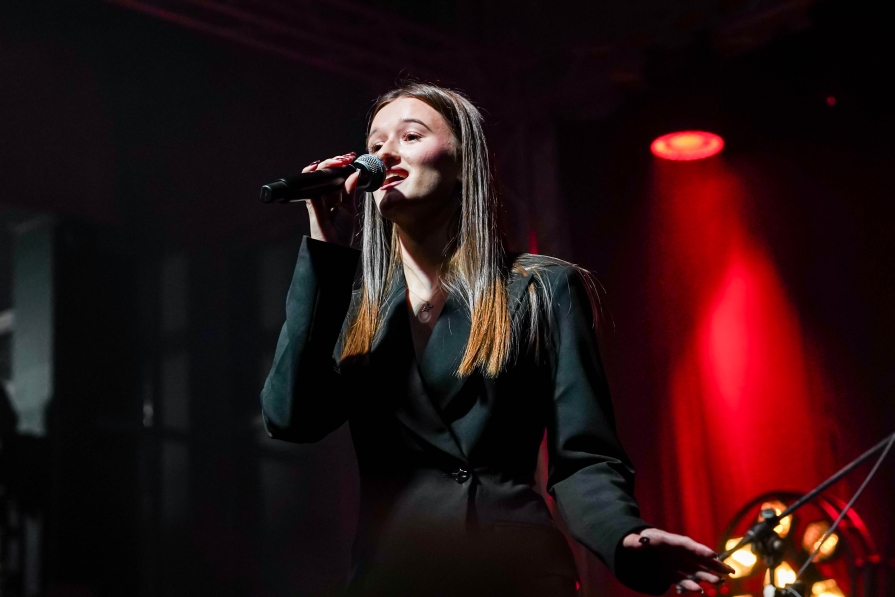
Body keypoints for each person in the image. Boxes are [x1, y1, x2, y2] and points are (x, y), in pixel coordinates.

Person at [260, 81, 734, 597]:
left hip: (513, 569)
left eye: (410, 136)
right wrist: (325, 253)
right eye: (375, 144)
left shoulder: (539, 288)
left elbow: (583, 456)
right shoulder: (355, 309)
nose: (384, 154)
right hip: (394, 572)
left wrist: (625, 537)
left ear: (464, 163)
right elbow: (292, 418)